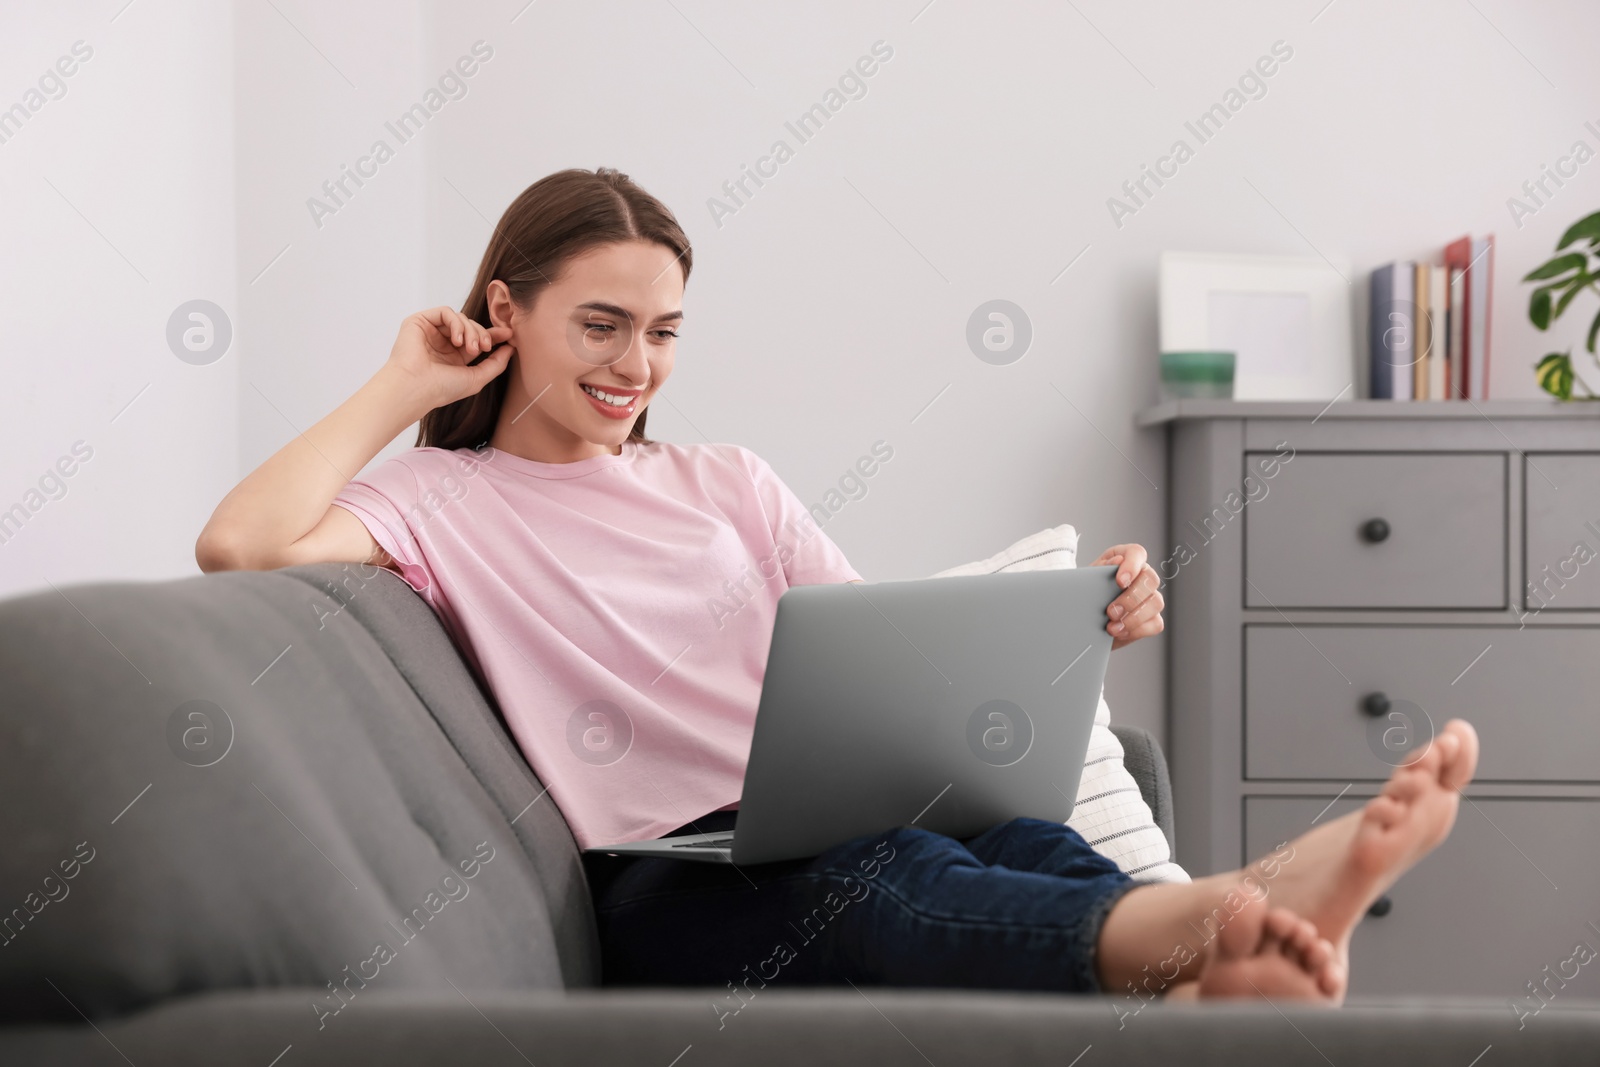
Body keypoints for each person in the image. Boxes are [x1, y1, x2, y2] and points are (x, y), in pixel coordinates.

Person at [196, 167, 1479, 1005]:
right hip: (667, 875)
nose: (635, 363)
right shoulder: (436, 501)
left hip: (826, 817)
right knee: (882, 875)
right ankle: (1227, 915)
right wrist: (406, 382)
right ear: (504, 310)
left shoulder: (727, 480)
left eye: (663, 331)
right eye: (599, 324)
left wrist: (1077, 620)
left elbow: (881, 656)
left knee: (1010, 840)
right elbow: (240, 544)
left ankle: (1215, 967)